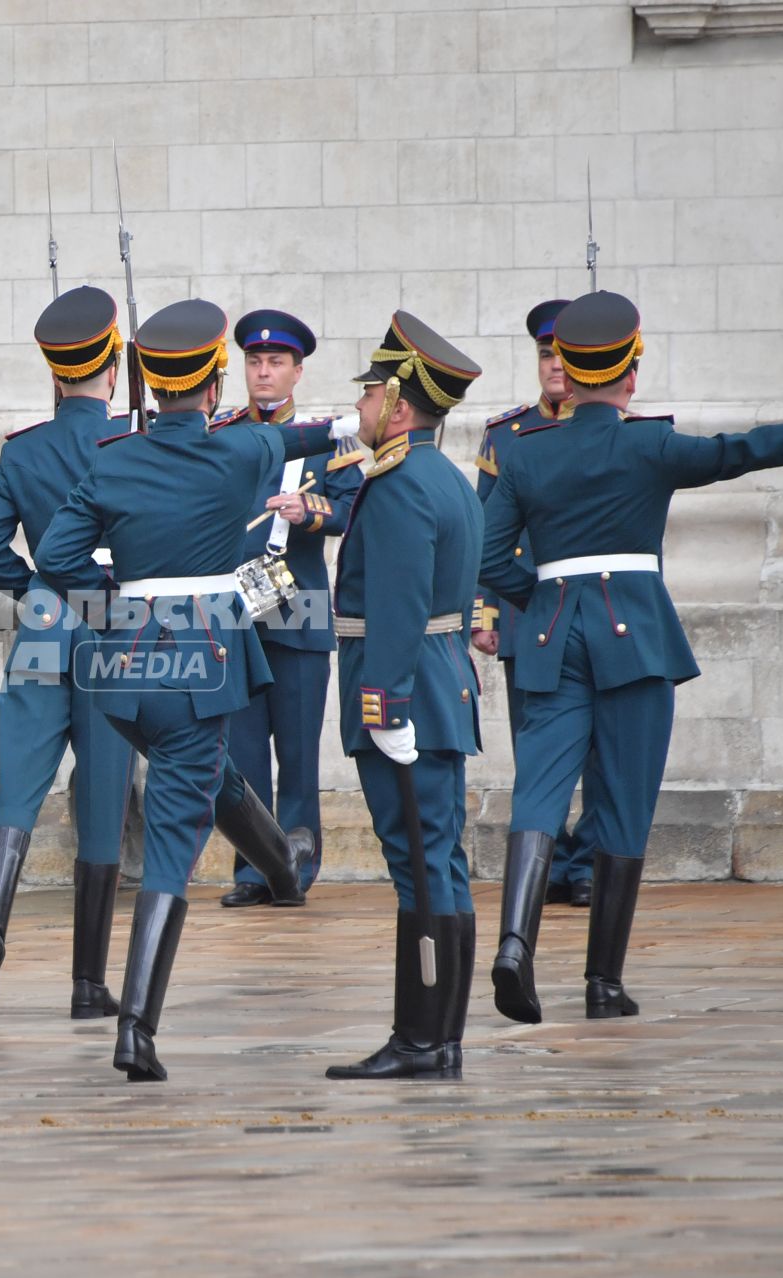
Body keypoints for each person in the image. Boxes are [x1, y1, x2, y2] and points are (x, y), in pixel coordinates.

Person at [479, 290, 783, 1024]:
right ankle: (603, 984)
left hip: (553, 637)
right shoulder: (652, 445)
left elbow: (488, 556)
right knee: (624, 802)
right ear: (630, 374)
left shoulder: (523, 454)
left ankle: (515, 944)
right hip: (633, 638)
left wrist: (545, 597)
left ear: (569, 375)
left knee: (540, 789)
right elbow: (747, 449)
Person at [33, 298, 338, 1084]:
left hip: (128, 666)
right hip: (201, 660)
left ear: (149, 382)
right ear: (210, 382)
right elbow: (285, 435)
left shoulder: (113, 457)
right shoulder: (237, 454)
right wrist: (345, 429)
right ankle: (136, 1025)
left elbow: (59, 557)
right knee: (176, 835)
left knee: (196, 770)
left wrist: (118, 595)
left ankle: (278, 861)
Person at [0, 285, 135, 1027]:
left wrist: (36, 589)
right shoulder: (132, 441)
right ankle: (88, 985)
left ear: (56, 374)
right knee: (99, 805)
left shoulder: (25, 450)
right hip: (110, 629)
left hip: (41, 625)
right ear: (114, 368)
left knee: (16, 792)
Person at [323, 312, 485, 1081]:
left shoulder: (397, 487)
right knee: (440, 862)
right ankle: (442, 1037)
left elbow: (396, 603)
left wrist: (382, 704)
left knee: (415, 863)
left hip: (405, 692)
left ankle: (419, 1041)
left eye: (368, 394)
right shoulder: (447, 480)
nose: (359, 408)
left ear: (399, 402)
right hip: (443, 685)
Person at [218, 308, 363, 906]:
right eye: (255, 362)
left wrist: (312, 513)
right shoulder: (222, 433)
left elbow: (352, 508)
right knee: (245, 756)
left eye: (276, 363)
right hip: (238, 617)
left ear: (297, 372)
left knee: (297, 755)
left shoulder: (327, 437)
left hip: (298, 616)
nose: (264, 372)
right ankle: (254, 871)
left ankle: (297, 869)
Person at [472, 299, 595, 908]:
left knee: (600, 752)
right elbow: (483, 533)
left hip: (598, 610)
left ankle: (590, 860)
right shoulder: (507, 433)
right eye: (545, 354)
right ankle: (550, 861)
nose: (553, 366)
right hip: (529, 613)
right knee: (536, 750)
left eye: (563, 354)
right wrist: (485, 612)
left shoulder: (612, 426)